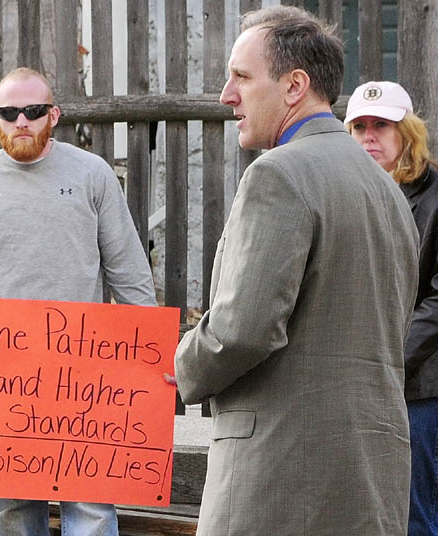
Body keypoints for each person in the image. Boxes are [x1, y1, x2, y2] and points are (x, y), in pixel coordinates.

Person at [167, 7, 419, 535]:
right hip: (372, 484)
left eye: (240, 76)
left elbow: (242, 331)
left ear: (294, 86)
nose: (225, 95)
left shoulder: (278, 175)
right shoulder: (387, 191)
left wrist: (182, 364)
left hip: (280, 481)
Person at [0, 67, 157, 536]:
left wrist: (150, 355)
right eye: (10, 112)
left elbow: (129, 275)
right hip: (5, 379)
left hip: (85, 376)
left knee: (90, 509)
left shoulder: (92, 175)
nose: (22, 120)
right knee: (16, 513)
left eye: (33, 111)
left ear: (54, 115)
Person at [346, 80, 438, 536]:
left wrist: (390, 358)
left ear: (407, 132)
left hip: (418, 385)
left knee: (416, 513)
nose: (369, 136)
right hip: (358, 382)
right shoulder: (347, 192)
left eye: (381, 125)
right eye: (359, 126)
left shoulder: (436, 196)